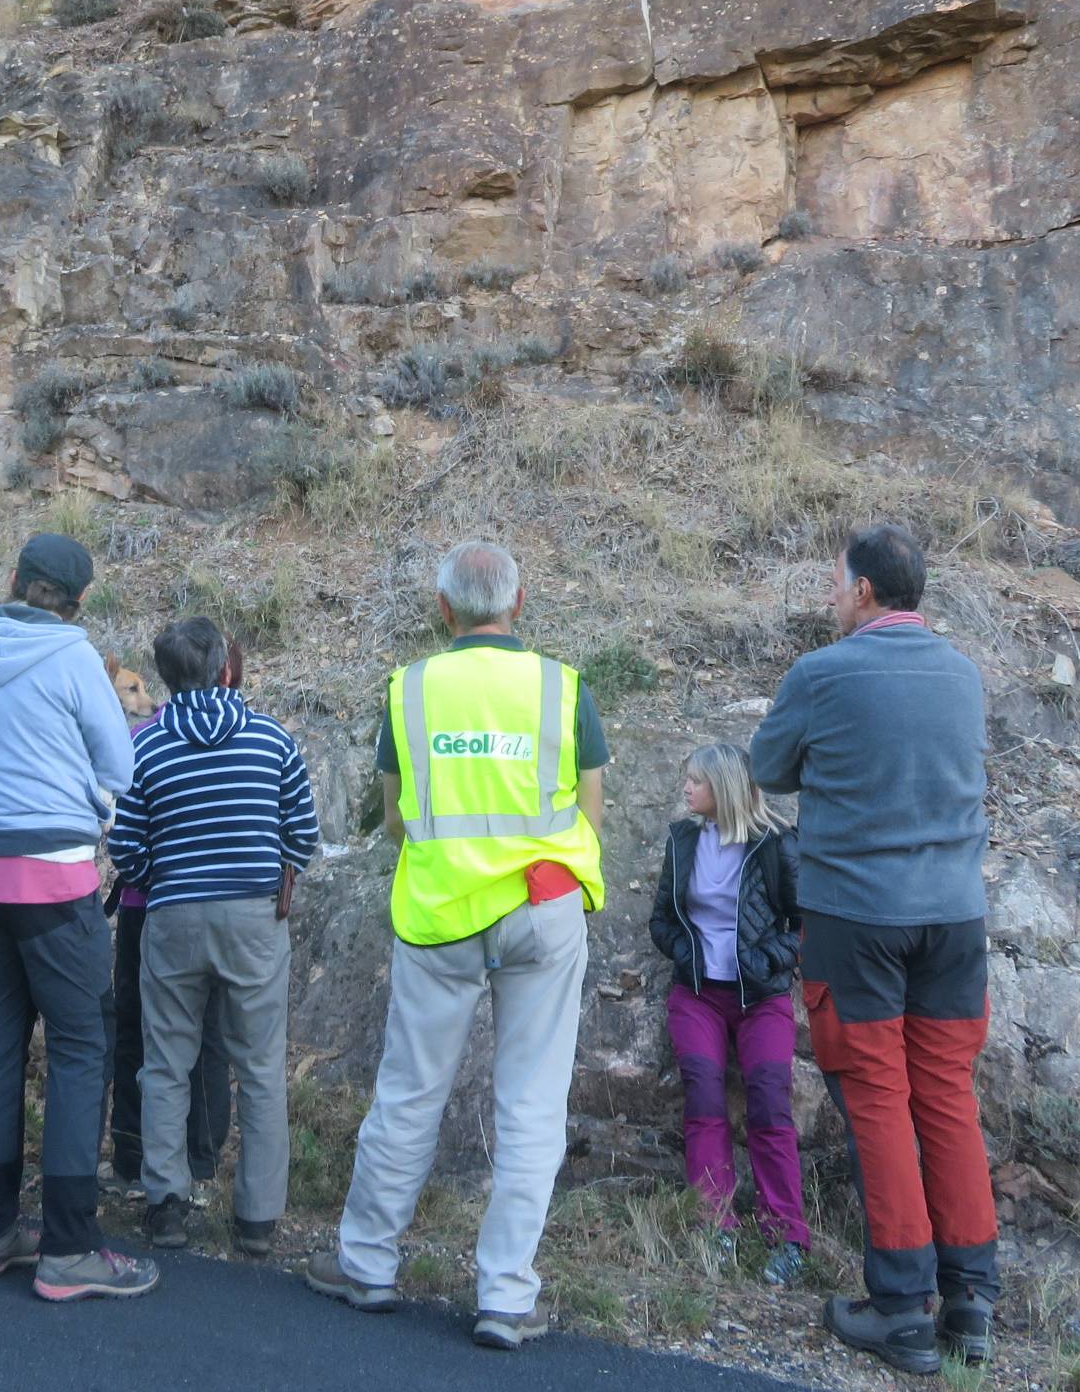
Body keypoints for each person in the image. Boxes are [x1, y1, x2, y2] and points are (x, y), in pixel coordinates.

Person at [304, 539, 606, 1352]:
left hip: (440, 914)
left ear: (444, 609)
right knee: (532, 1105)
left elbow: (397, 812)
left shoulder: (408, 691)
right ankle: (506, 1297)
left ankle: (367, 1264)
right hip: (542, 909)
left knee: (409, 1094)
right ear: (520, 601)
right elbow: (589, 807)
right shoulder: (560, 685)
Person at [752, 523, 996, 1376]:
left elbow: (767, 766)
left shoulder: (824, 673)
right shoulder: (964, 675)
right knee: (947, 1097)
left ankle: (899, 1308)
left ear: (863, 592)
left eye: (833, 582)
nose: (828, 596)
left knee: (879, 1098)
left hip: (858, 919)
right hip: (957, 917)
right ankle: (971, 1301)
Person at [0, 532, 156, 1302]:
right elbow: (120, 768)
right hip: (50, 880)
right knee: (77, 1049)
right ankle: (69, 1246)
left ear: (11, 580)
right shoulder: (73, 658)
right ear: (80, 600)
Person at [104, 616, 317, 1258]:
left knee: (165, 1062)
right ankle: (256, 1218)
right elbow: (302, 836)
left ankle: (166, 1204)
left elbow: (125, 846)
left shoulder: (145, 746)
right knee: (257, 1068)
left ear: (166, 674)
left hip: (172, 918)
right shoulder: (271, 740)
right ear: (225, 666)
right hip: (254, 919)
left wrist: (163, 877)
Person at [649, 741, 807, 1282]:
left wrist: (767, 959)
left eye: (696, 780)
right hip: (698, 995)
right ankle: (715, 1227)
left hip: (761, 997)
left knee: (769, 1103)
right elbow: (662, 919)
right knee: (704, 1098)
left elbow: (802, 924)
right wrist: (685, 951)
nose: (686, 788)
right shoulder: (683, 841)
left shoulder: (775, 846)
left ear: (725, 789)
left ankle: (785, 1235)